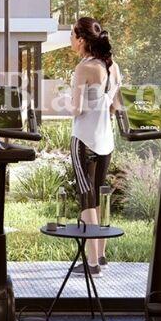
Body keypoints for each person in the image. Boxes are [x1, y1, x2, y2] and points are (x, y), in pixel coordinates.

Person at [68, 16, 121, 277]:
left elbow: (76, 109)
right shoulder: (112, 66)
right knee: (96, 195)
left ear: (81, 40)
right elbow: (116, 106)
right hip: (105, 141)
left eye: (72, 35)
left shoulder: (84, 68)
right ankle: (100, 256)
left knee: (86, 197)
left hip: (83, 140)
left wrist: (64, 101)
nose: (70, 40)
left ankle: (91, 264)